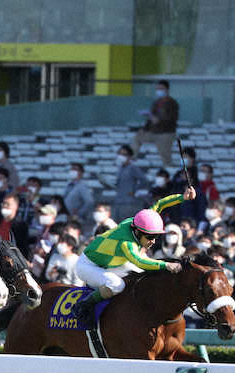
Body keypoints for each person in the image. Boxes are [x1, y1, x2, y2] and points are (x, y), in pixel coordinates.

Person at [73, 186, 197, 327]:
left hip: (111, 264)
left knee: (142, 276)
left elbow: (160, 204)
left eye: (156, 236)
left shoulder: (140, 221)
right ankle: (84, 305)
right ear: (137, 232)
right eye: (149, 237)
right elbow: (140, 261)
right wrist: (166, 265)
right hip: (88, 265)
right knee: (117, 285)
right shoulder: (127, 243)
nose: (153, 241)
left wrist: (183, 197)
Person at [132, 80, 179, 166]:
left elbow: (171, 119)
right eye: (157, 89)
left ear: (167, 89)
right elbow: (150, 118)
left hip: (166, 133)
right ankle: (132, 158)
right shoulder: (156, 103)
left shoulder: (172, 103)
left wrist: (158, 120)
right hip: (153, 131)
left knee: (165, 155)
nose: (159, 91)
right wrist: (144, 129)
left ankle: (168, 168)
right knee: (137, 138)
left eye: (161, 88)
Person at [114, 144, 152, 218]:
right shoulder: (120, 168)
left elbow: (144, 180)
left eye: (124, 154)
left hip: (128, 202)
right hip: (118, 200)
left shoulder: (132, 168)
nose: (121, 156)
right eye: (120, 154)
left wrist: (134, 190)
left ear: (129, 156)